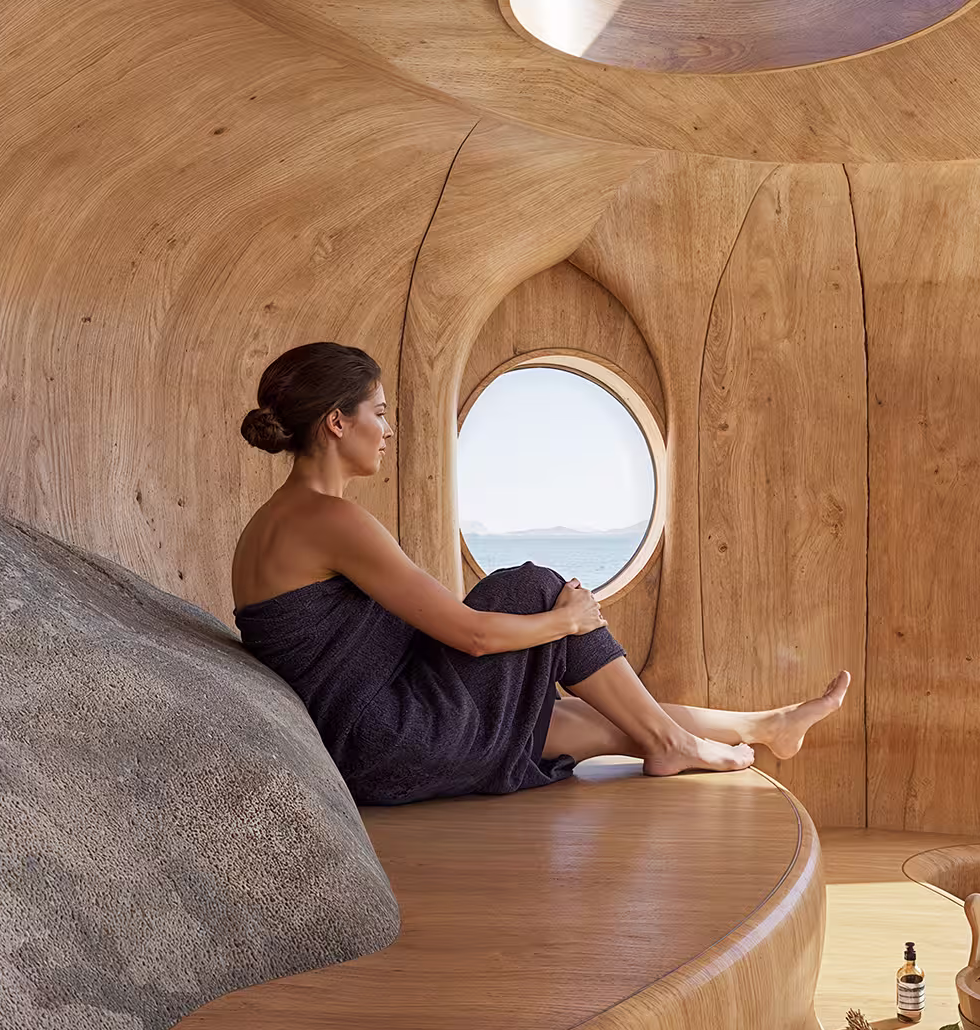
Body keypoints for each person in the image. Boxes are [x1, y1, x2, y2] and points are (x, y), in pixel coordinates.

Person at [230, 342, 849, 806]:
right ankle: (674, 743)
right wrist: (565, 620)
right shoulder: (331, 520)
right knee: (528, 586)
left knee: (577, 722)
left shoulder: (278, 521)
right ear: (336, 422)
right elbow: (470, 636)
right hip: (385, 740)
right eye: (380, 413)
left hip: (366, 742)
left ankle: (763, 725)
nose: (388, 431)